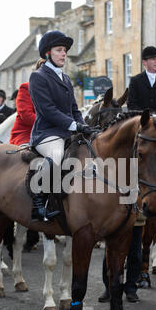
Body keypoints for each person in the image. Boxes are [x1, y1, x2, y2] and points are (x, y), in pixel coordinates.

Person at [28, 30, 97, 221]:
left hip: (67, 132)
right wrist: (74, 126)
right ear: (48, 53)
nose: (64, 53)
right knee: (57, 156)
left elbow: (74, 109)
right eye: (59, 50)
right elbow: (47, 110)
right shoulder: (38, 77)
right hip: (47, 133)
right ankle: (38, 202)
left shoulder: (65, 79)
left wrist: (85, 127)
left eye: (65, 50)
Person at [9, 82, 39, 250]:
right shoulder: (26, 88)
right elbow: (26, 115)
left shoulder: (57, 87)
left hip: (49, 134)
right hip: (25, 134)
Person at [99, 215, 145, 304]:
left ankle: (131, 289)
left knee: (135, 254)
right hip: (113, 217)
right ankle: (109, 288)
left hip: (135, 219)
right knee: (109, 254)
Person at [127, 46, 156, 115]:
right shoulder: (135, 81)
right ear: (144, 62)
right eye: (153, 59)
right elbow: (131, 103)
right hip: (141, 120)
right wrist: (145, 116)